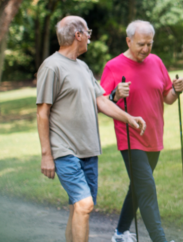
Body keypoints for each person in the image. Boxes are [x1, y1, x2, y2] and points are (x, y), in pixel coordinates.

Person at [36, 16, 146, 242]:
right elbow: (42, 112)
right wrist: (47, 155)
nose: (90, 37)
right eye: (88, 32)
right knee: (84, 205)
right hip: (65, 150)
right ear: (78, 35)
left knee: (78, 208)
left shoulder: (83, 67)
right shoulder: (51, 66)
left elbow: (102, 101)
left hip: (88, 150)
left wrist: (130, 118)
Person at [100, 20, 183, 242]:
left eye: (149, 44)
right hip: (130, 138)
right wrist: (116, 95)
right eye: (141, 44)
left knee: (138, 186)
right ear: (128, 41)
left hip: (154, 136)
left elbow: (167, 98)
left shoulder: (156, 61)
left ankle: (120, 233)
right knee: (146, 188)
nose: (146, 49)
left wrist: (176, 91)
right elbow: (102, 103)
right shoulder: (113, 66)